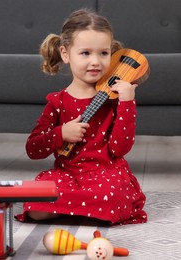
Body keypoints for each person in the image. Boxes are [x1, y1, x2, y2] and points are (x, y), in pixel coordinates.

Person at [16, 9, 147, 225]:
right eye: (85, 53)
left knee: (112, 195)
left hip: (106, 174)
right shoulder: (57, 102)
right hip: (67, 174)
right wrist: (61, 133)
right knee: (35, 201)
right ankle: (89, 210)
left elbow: (119, 149)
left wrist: (126, 104)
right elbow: (33, 149)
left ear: (112, 55)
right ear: (66, 54)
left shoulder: (115, 100)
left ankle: (73, 209)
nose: (96, 61)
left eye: (103, 53)